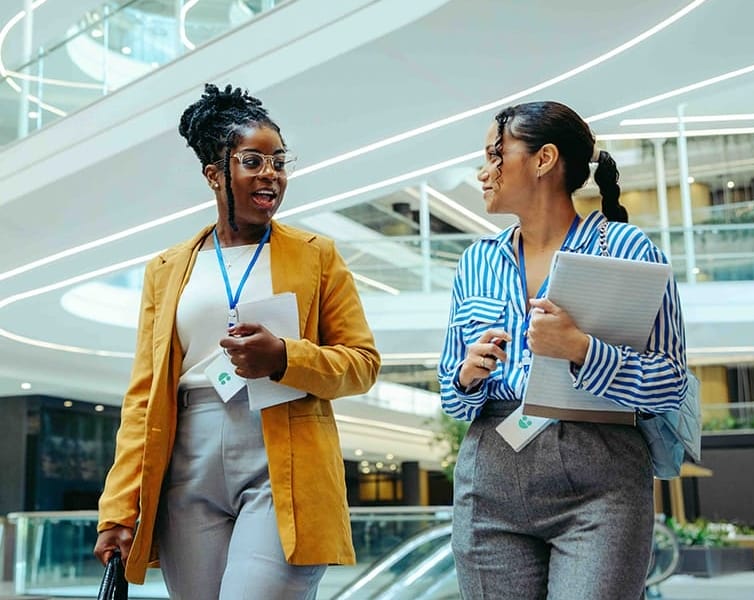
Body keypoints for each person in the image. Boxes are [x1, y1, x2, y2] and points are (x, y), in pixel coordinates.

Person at [93, 83, 381, 599]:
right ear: (214, 174)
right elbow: (143, 399)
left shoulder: (318, 256)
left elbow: (362, 364)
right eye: (253, 161)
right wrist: (120, 506)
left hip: (284, 450)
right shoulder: (166, 269)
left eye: (279, 162)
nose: (271, 173)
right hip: (188, 456)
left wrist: (284, 358)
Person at [437, 101, 688, 600]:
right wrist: (467, 376)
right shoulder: (476, 261)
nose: (483, 172)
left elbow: (670, 380)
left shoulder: (626, 247)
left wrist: (581, 350)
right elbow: (451, 394)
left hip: (601, 482)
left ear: (543, 159)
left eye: (494, 154)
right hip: (490, 476)